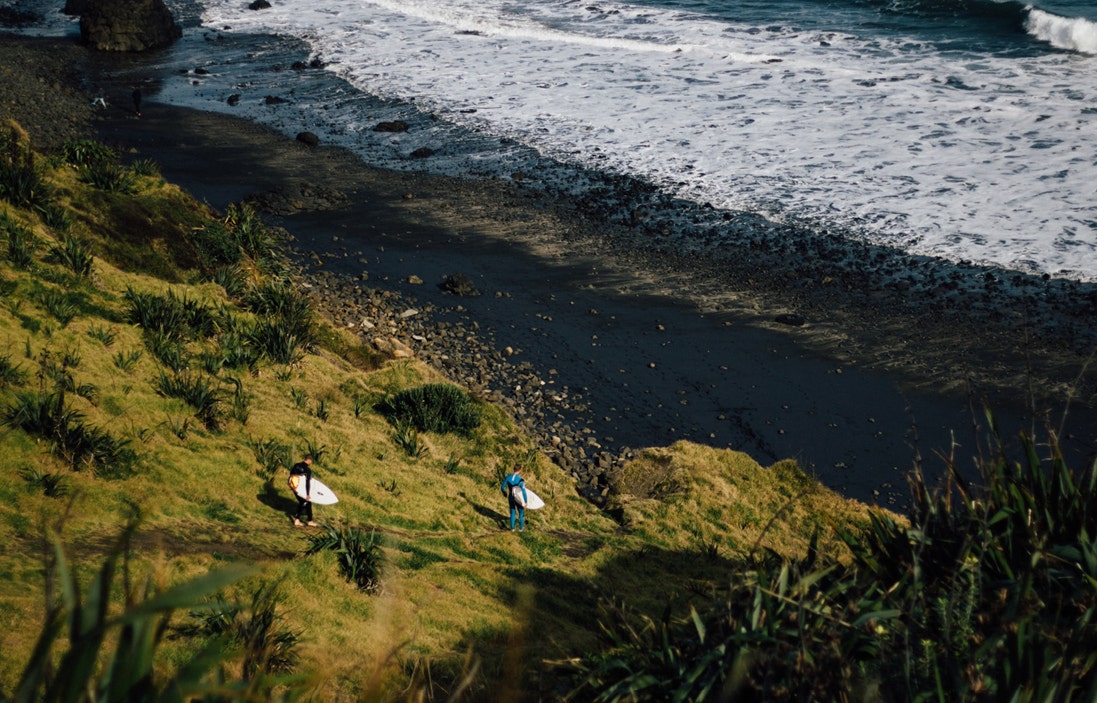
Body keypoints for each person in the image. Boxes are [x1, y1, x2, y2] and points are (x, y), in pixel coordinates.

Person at [288, 455, 318, 527]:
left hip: (294, 487)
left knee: (303, 502)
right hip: (301, 489)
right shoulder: (307, 470)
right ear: (309, 461)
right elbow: (307, 482)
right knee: (306, 502)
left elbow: (291, 475)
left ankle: (303, 520)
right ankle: (306, 521)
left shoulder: (296, 465)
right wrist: (307, 494)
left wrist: (292, 486)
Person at [501, 465, 527, 532]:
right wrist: (525, 501)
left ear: (514, 469)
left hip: (511, 496)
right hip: (518, 498)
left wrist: (504, 493)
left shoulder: (508, 477)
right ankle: (520, 529)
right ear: (520, 470)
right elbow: (523, 492)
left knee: (512, 512)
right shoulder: (520, 480)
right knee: (521, 512)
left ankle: (512, 528)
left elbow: (502, 487)